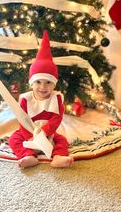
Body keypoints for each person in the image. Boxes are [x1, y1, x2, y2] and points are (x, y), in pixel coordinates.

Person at [9, 31, 74, 169]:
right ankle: (28, 156)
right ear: (31, 83)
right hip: (29, 132)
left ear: (54, 84)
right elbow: (23, 120)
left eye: (48, 82)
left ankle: (58, 157)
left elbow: (56, 119)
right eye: (38, 82)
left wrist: (45, 132)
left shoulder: (56, 99)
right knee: (14, 139)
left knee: (61, 140)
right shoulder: (25, 99)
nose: (43, 87)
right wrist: (30, 137)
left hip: (48, 131)